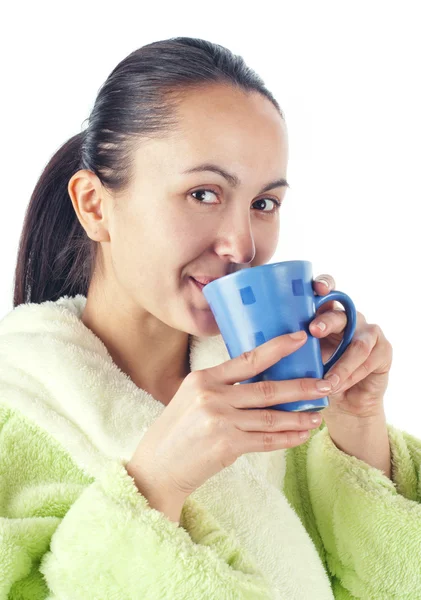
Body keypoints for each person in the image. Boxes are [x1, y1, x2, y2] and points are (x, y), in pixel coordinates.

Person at [0, 36, 420, 600]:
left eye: (264, 203)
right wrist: (155, 485)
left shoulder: (283, 403)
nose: (242, 245)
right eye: (203, 193)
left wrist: (357, 423)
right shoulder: (15, 411)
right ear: (96, 206)